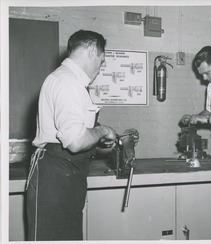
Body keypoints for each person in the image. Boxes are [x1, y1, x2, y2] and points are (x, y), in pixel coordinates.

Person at [26, 30, 138, 241]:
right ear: (91, 51)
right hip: (55, 179)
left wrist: (103, 141)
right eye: (101, 61)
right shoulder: (66, 81)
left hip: (68, 177)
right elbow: (76, 142)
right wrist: (103, 130)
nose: (100, 68)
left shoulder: (74, 83)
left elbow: (80, 138)